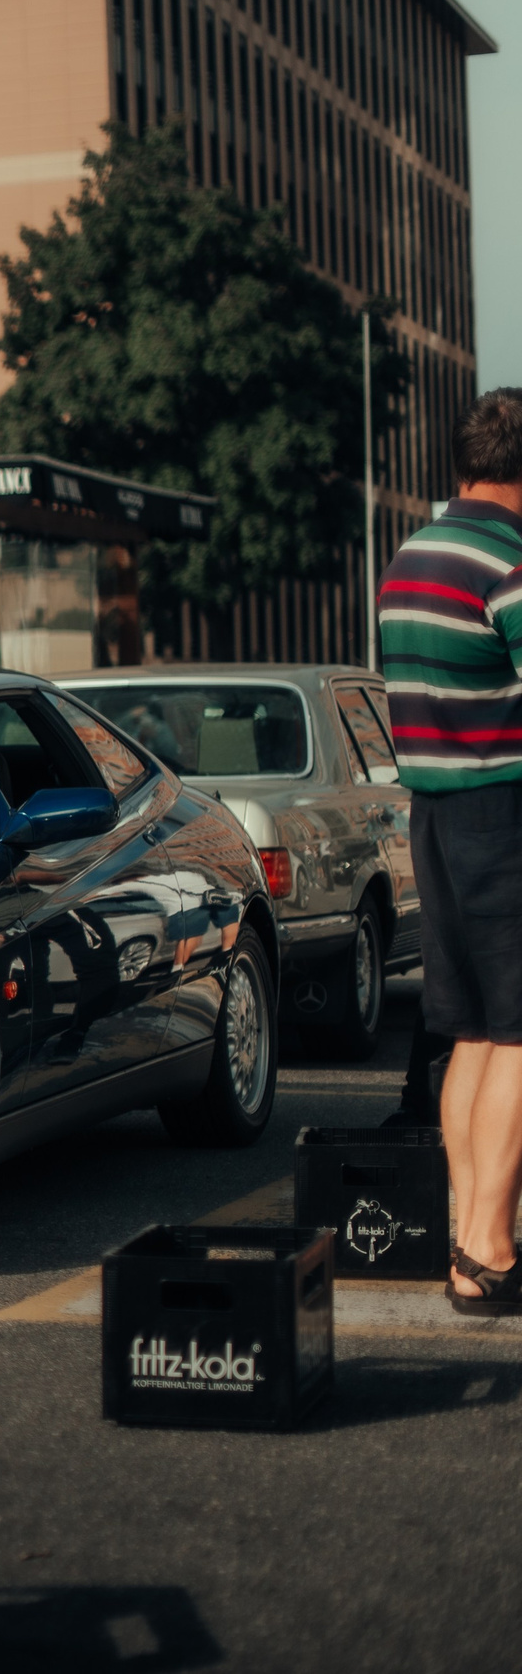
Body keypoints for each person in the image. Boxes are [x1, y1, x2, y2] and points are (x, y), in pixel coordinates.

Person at [377, 387, 522, 1314]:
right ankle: (492, 1249)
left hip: (432, 817)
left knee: (468, 1033)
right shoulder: (508, 562)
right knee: (518, 1036)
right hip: (505, 820)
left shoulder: (410, 557)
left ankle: (466, 1238)